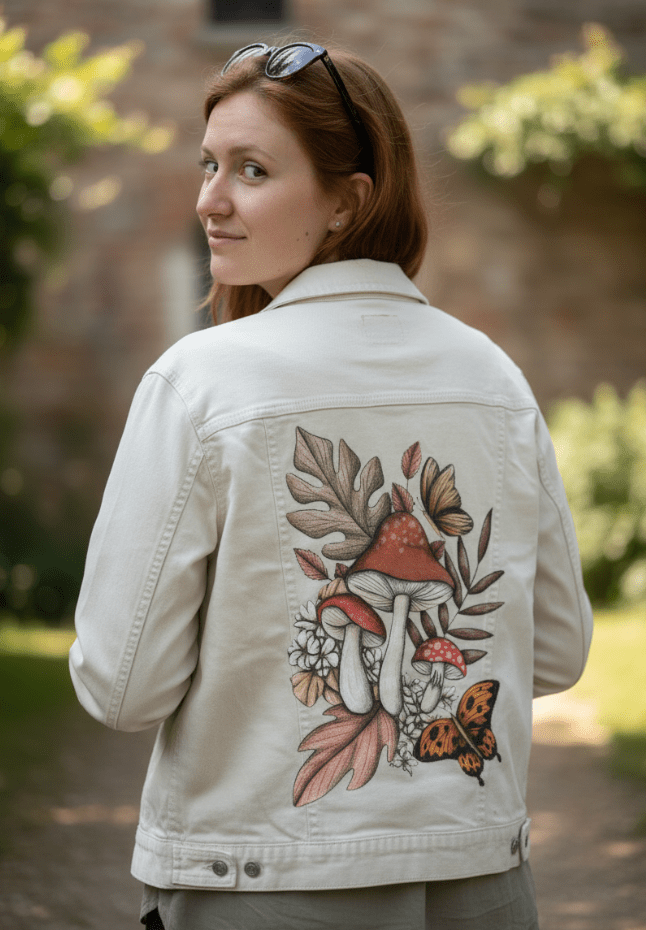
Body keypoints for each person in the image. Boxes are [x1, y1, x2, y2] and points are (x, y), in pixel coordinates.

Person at [69, 40, 593, 930]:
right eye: (209, 164)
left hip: (261, 884)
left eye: (252, 169)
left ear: (349, 201)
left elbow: (121, 686)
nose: (209, 199)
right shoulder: (494, 377)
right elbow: (556, 651)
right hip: (477, 879)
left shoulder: (200, 383)